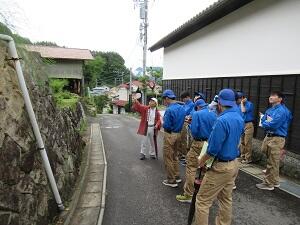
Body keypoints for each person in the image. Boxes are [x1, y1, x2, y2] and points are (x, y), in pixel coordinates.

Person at [195, 89, 244, 225]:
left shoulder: (221, 120)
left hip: (220, 167)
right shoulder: (239, 117)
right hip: (233, 164)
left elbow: (213, 149)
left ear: (220, 104)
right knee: (225, 198)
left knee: (203, 201)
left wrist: (201, 161)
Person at [176, 99, 217, 203]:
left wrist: (190, 124)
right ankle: (202, 193)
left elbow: (194, 131)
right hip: (209, 143)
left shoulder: (197, 114)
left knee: (191, 167)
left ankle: (188, 194)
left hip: (198, 143)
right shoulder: (213, 113)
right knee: (205, 168)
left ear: (197, 106)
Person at [256, 91, 292, 190]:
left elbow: (273, 124)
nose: (270, 97)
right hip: (269, 136)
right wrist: (266, 122)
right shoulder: (270, 109)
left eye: (274, 96)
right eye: (270, 95)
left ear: (280, 99)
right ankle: (275, 181)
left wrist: (265, 123)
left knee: (272, 161)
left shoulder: (282, 111)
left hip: (277, 137)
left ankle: (268, 184)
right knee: (267, 154)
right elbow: (264, 120)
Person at [162, 89, 186, 187]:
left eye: (164, 99)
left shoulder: (169, 109)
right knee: (175, 155)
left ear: (167, 98)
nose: (164, 102)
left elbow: (166, 125)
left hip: (170, 134)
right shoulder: (181, 108)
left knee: (168, 157)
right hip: (178, 134)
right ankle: (177, 176)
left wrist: (163, 122)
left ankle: (171, 180)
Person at [236, 91, 254, 164]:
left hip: (248, 124)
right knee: (242, 142)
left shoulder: (249, 104)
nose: (237, 100)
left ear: (242, 98)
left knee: (247, 142)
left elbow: (243, 111)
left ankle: (248, 158)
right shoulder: (238, 105)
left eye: (239, 99)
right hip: (241, 124)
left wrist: (242, 103)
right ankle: (242, 156)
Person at [178, 91, 195, 164]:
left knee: (185, 141)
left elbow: (188, 114)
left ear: (188, 97)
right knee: (181, 140)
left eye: (184, 98)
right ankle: (181, 154)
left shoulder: (192, 105)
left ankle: (185, 156)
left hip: (187, 125)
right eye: (182, 99)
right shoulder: (185, 104)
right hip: (182, 124)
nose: (183, 100)